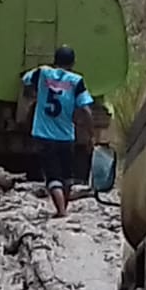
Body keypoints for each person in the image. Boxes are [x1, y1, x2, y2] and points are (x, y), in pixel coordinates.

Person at [21, 46, 94, 218]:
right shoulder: (77, 81)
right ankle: (64, 207)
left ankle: (61, 210)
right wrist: (90, 134)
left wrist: (34, 92)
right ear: (73, 63)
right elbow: (87, 111)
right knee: (67, 176)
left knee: (52, 175)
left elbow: (26, 80)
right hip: (66, 136)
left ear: (55, 61)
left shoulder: (43, 73)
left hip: (44, 135)